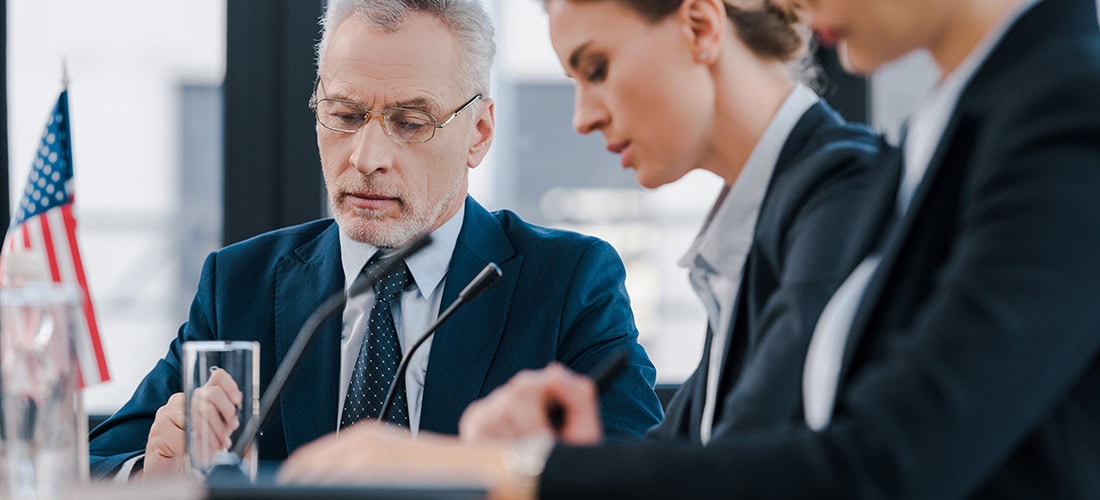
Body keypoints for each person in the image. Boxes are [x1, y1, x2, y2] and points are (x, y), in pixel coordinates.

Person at [279, 0, 1100, 497]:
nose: (583, 118)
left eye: (596, 67)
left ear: (702, 26)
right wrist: (560, 456)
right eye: (344, 114)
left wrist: (498, 471)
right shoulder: (925, 144)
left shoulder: (1025, 123)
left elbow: (870, 467)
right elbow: (714, 456)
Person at [87, 0, 663, 479]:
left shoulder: (567, 282)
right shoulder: (240, 283)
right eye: (344, 115)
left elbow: (644, 475)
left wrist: (484, 464)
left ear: (479, 133)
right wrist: (152, 471)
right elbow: (93, 462)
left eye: (411, 123)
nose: (366, 158)